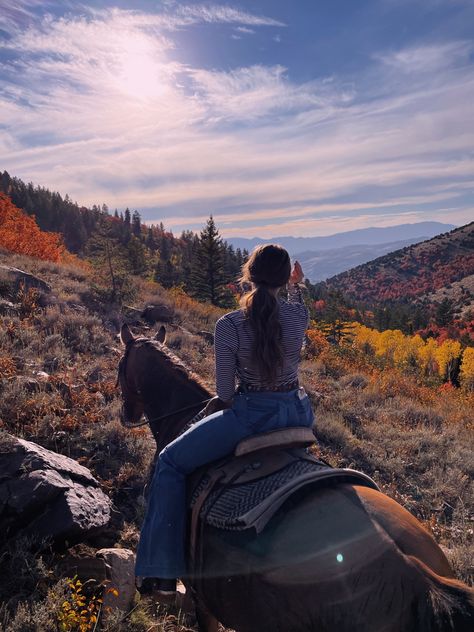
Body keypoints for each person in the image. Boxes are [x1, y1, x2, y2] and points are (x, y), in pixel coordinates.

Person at [135, 244, 314, 600]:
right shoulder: (298, 316)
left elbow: (224, 393)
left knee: (170, 461)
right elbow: (293, 308)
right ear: (285, 279)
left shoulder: (229, 324)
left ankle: (162, 573)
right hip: (297, 412)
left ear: (248, 275)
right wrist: (296, 287)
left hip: (251, 417)